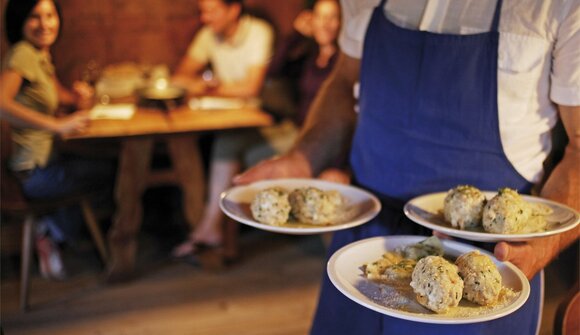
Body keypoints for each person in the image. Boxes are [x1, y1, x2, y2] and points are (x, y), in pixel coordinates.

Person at [235, 0, 579, 334]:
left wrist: (544, 246)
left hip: (477, 267)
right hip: (363, 249)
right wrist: (302, 157)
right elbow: (342, 83)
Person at [0, 0, 115, 279]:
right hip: (32, 173)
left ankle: (56, 232)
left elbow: (58, 97)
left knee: (98, 166)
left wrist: (79, 97)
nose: (45, 24)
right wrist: (56, 125)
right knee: (112, 171)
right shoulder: (22, 54)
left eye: (50, 15)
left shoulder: (40, 55)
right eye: (34, 17)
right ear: (20, 21)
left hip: (44, 165)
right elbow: (1, 104)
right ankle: (51, 232)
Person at [170, 0, 275, 258]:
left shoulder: (259, 32)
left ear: (233, 10)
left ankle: (209, 227)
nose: (205, 18)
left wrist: (208, 86)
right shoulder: (208, 35)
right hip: (230, 121)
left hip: (267, 122)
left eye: (212, 11)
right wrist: (210, 85)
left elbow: (251, 88)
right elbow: (179, 78)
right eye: (203, 11)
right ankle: (212, 230)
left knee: (226, 144)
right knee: (218, 141)